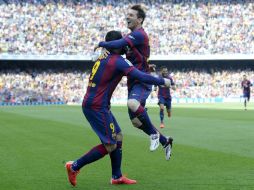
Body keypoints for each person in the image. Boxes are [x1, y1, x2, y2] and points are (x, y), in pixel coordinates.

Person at [65, 30, 172, 187]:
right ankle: (74, 166)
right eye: (122, 42)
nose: (125, 44)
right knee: (110, 144)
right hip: (96, 106)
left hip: (97, 104)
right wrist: (163, 81)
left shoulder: (103, 57)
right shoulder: (118, 60)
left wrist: (146, 68)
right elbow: (140, 77)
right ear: (115, 44)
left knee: (118, 136)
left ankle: (117, 176)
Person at [96, 4, 173, 158]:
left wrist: (101, 44)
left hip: (142, 80)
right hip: (133, 80)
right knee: (136, 122)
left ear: (139, 19)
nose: (127, 17)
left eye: (131, 15)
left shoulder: (139, 35)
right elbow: (122, 50)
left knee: (132, 104)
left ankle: (154, 134)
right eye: (127, 15)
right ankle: (166, 141)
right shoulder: (130, 38)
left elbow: (118, 45)